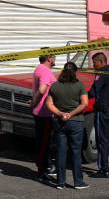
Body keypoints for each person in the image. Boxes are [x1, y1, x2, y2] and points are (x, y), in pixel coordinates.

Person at [46, 62, 89, 190]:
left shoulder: (55, 86)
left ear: (63, 71)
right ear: (75, 72)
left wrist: (60, 113)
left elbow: (49, 104)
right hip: (76, 121)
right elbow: (84, 103)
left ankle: (60, 182)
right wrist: (71, 114)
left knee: (61, 152)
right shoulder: (79, 85)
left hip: (59, 122)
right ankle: (78, 182)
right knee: (76, 152)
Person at [89, 52, 109, 178]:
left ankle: (104, 169)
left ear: (101, 62)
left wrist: (81, 97)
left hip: (103, 110)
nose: (93, 65)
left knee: (102, 140)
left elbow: (92, 91)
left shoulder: (101, 73)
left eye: (95, 62)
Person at [31, 52, 56, 182]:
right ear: (49, 58)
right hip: (44, 112)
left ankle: (46, 167)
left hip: (41, 112)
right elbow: (41, 90)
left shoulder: (39, 68)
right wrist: (34, 103)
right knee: (44, 143)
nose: (55, 59)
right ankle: (42, 172)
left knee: (44, 142)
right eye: (54, 57)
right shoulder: (45, 71)